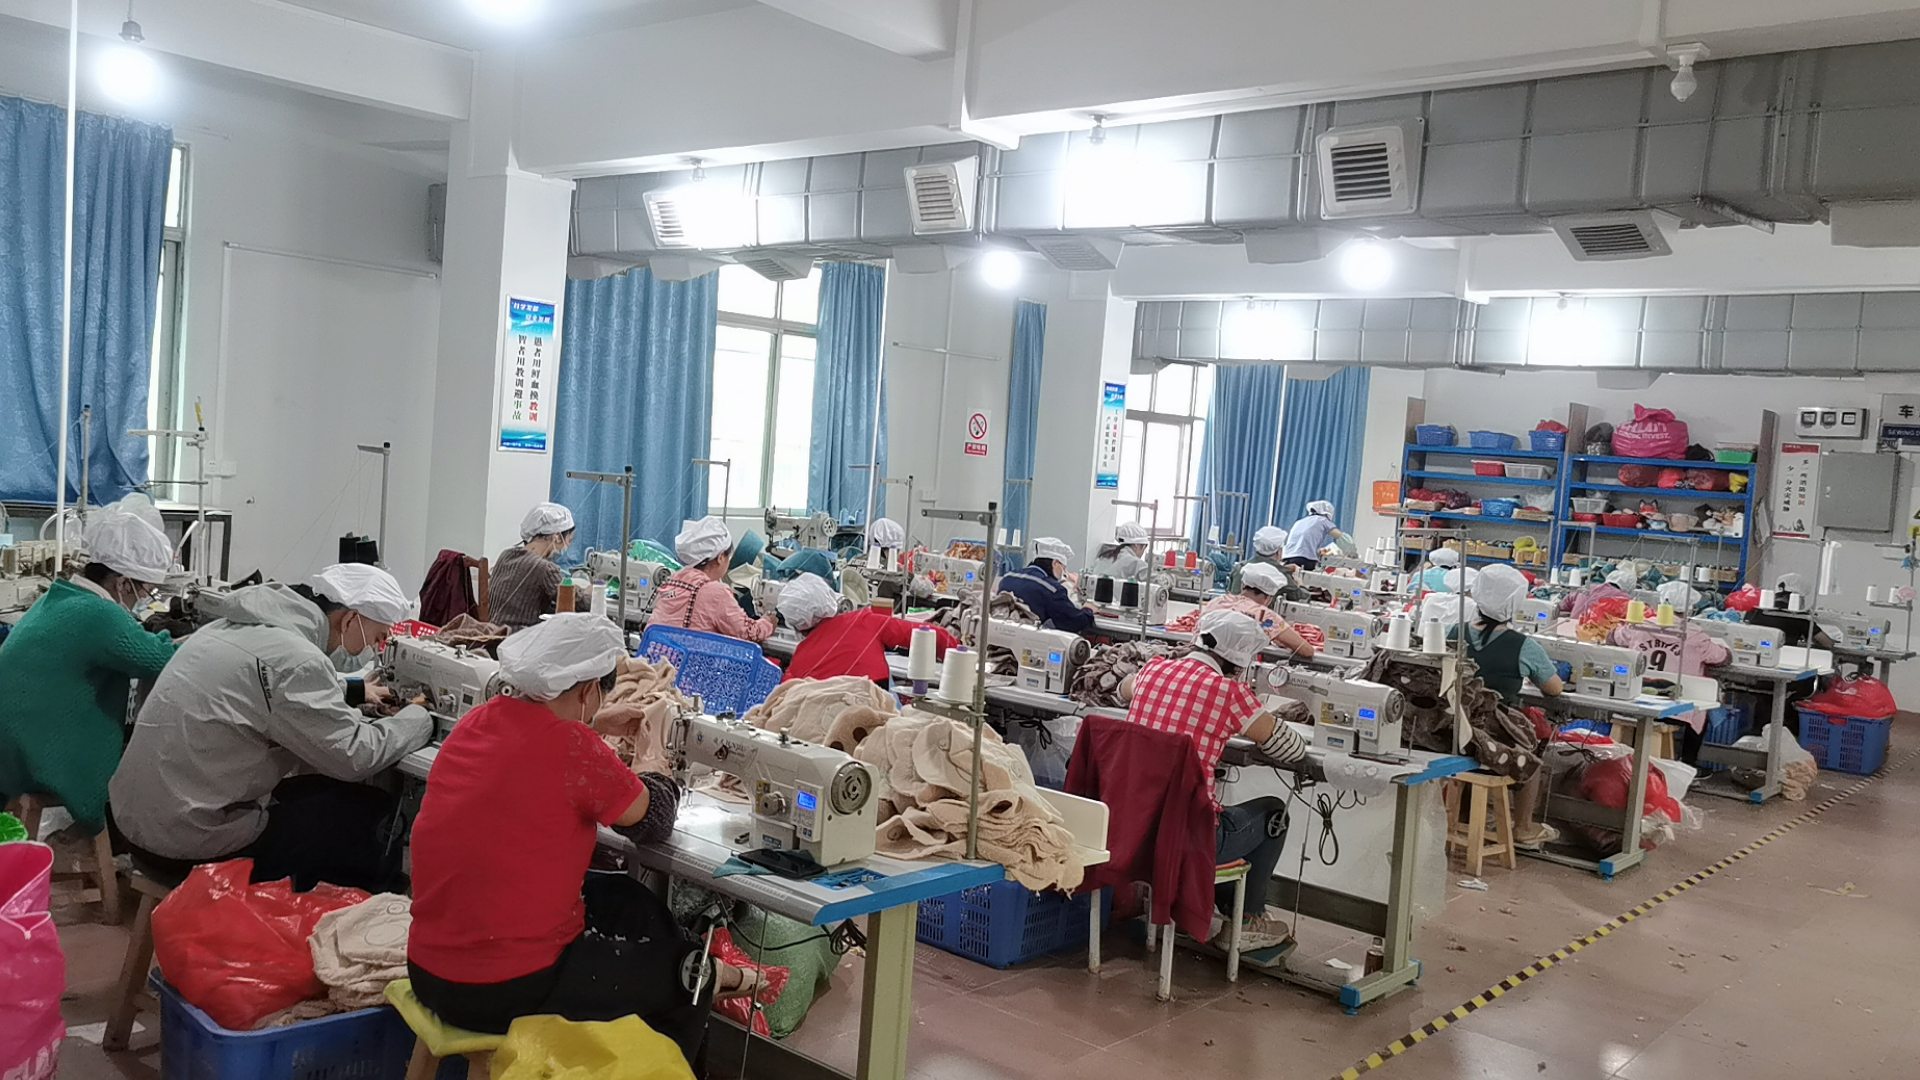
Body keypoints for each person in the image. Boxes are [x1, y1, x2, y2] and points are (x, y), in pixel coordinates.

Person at [407, 614, 754, 1061]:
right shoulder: (571, 745)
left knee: (625, 897)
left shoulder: (477, 721)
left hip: (427, 968)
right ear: (590, 690)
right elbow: (653, 822)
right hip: (505, 987)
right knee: (691, 975)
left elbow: (536, 754)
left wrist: (598, 725)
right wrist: (653, 761)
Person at [108, 564, 433, 891]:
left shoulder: (227, 627)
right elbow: (356, 755)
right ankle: (358, 914)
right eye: (376, 638)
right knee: (369, 816)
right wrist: (420, 717)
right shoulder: (297, 659)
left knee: (314, 797)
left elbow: (265, 687)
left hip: (136, 825)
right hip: (187, 846)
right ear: (349, 620)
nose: (372, 650)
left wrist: (355, 691)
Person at [1117, 611, 1307, 951]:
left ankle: (1197, 903)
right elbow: (1290, 749)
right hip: (1187, 840)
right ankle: (1247, 920)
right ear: (1240, 663)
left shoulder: (1152, 669)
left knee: (1216, 811)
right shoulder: (1230, 693)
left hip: (1131, 829)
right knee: (1273, 813)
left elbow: (1122, 690)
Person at [0, 508, 178, 834]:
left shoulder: (61, 596)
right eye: (147, 591)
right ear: (123, 583)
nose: (146, 600)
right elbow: (162, 660)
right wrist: (188, 638)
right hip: (35, 755)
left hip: (10, 747)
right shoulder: (99, 614)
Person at [1451, 565, 1562, 850]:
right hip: (1495, 736)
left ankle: (1462, 817)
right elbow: (1554, 689)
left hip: (1455, 730)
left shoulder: (1455, 632)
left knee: (1477, 745)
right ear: (1515, 603)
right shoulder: (1523, 646)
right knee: (1532, 759)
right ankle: (1523, 828)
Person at [776, 572, 959, 684]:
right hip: (875, 714)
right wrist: (962, 664)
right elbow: (931, 636)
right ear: (830, 599)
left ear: (795, 624)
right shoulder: (864, 621)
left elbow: (784, 700)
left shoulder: (799, 660)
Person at [650, 517, 775, 643]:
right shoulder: (716, 593)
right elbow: (748, 632)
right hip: (689, 655)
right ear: (721, 557)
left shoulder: (673, 581)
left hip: (656, 653)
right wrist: (769, 621)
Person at [491, 502, 584, 632]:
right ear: (557, 537)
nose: (567, 547)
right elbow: (577, 602)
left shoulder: (506, 555)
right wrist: (593, 593)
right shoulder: (544, 568)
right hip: (520, 638)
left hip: (493, 634)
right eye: (569, 541)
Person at [1195, 562, 1319, 658]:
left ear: (1243, 586)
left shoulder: (1217, 601)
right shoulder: (1265, 616)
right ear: (1269, 598)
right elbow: (1306, 650)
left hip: (1193, 662)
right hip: (1225, 673)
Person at [998, 537, 1096, 633]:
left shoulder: (1008, 577)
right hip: (1031, 638)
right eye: (1063, 568)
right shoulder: (1051, 589)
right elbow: (1074, 622)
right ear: (1055, 563)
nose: (1064, 572)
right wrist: (1088, 609)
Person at [1227, 525, 1299, 597]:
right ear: (1279, 552)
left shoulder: (1240, 568)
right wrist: (1299, 582)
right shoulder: (1282, 575)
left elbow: (1231, 594)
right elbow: (1300, 596)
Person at [1281, 501, 1344, 570]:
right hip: (1304, 558)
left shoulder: (1300, 521)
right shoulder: (1323, 520)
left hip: (1287, 557)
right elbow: (1338, 535)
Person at [1086, 521, 1151, 580]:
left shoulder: (1102, 559)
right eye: (1144, 547)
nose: (1142, 552)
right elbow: (1155, 580)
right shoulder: (1136, 563)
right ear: (1137, 545)